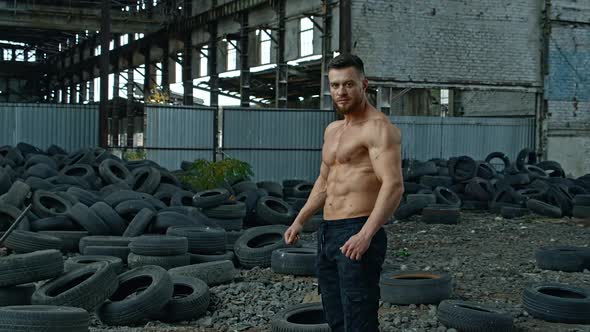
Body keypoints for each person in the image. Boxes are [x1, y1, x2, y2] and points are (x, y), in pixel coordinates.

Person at [284, 54, 404, 332]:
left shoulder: (378, 128)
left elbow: (394, 185)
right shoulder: (333, 129)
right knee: (335, 317)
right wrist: (300, 220)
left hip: (357, 229)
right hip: (328, 231)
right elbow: (325, 181)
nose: (341, 91)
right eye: (335, 85)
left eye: (348, 84)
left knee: (359, 320)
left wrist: (365, 234)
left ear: (364, 84)